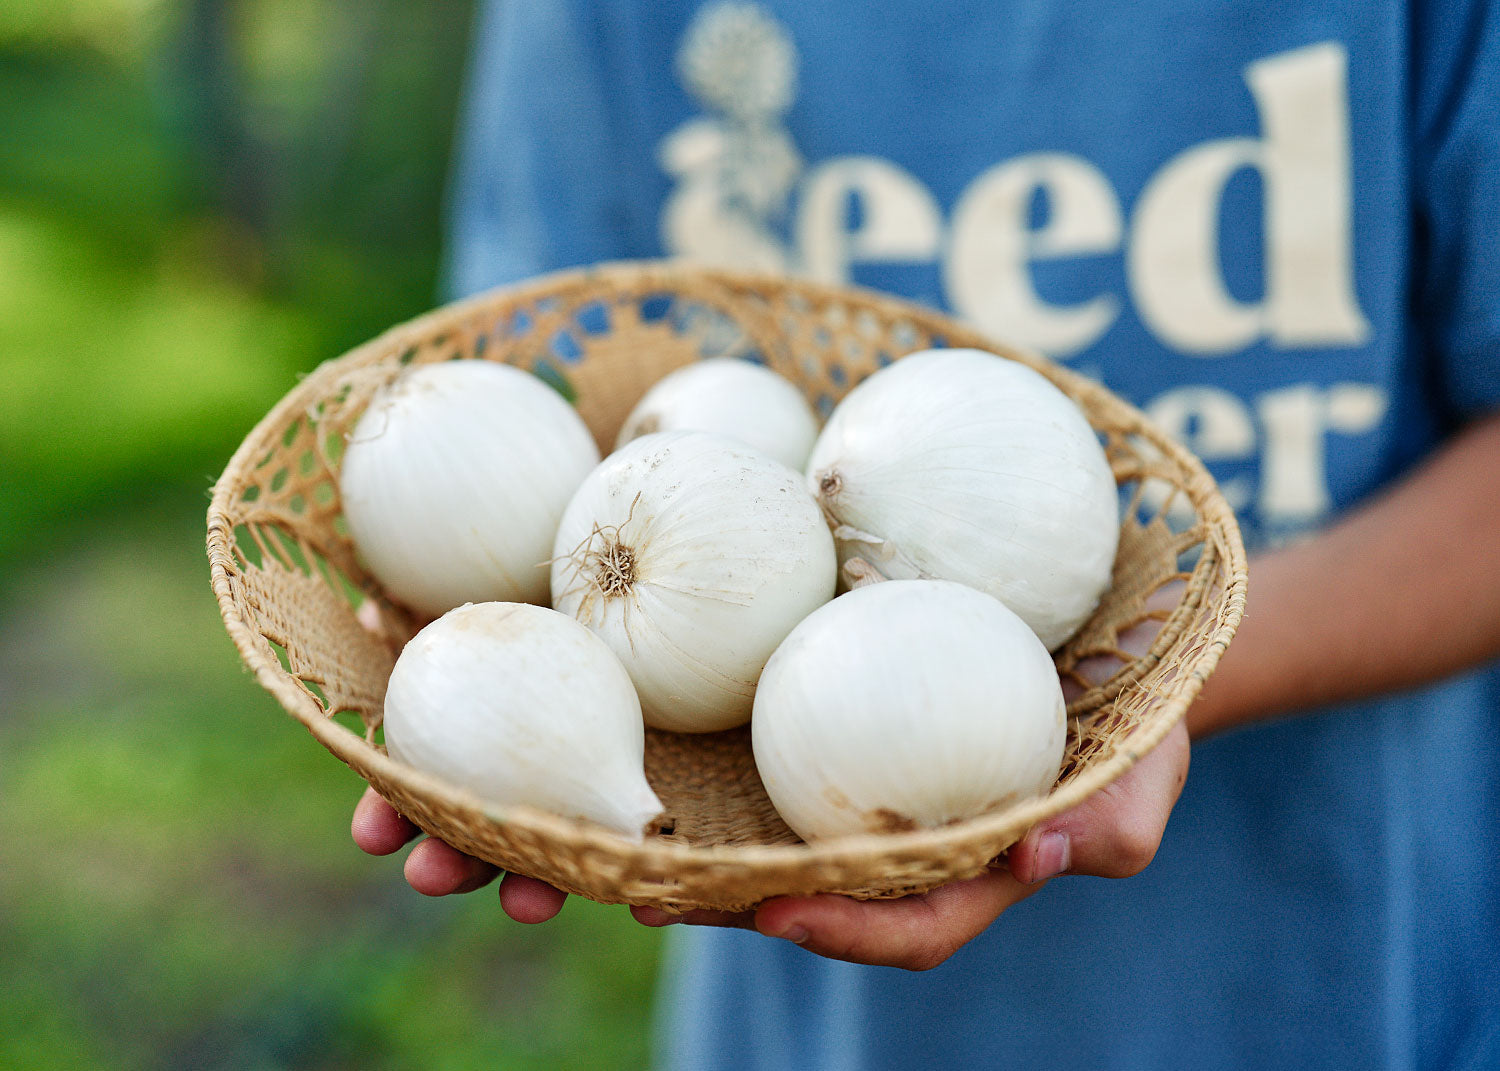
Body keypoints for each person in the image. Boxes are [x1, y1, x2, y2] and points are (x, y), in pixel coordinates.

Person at [351, 1, 1500, 1066]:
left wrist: (1171, 682)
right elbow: (527, 386)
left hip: (1352, 966)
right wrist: (479, 691)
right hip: (811, 986)